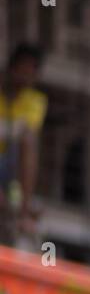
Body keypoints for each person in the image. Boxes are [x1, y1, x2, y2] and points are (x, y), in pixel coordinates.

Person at [0, 43, 47, 246]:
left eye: (32, 70)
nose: (25, 74)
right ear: (11, 68)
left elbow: (26, 136)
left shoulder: (36, 100)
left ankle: (24, 209)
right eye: (22, 68)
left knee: (28, 141)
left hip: (9, 167)